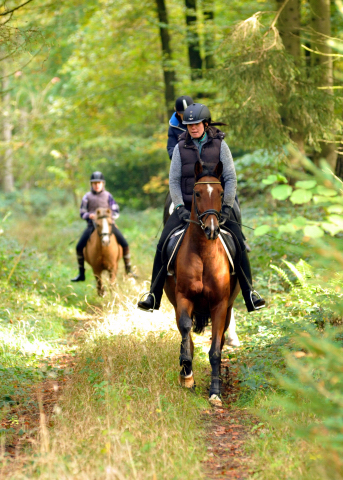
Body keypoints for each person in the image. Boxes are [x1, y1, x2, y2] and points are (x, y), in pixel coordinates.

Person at [138, 103, 265, 313]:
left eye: (196, 124)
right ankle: (153, 295)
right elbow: (174, 181)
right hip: (188, 206)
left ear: (205, 123)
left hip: (217, 205)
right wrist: (179, 207)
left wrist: (226, 207)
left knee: (239, 243)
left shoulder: (220, 145)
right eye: (188, 125)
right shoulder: (180, 148)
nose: (192, 128)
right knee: (162, 244)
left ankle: (250, 293)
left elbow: (231, 178)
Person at [71, 171, 134, 281]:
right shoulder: (87, 196)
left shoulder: (108, 195)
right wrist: (89, 215)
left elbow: (116, 211)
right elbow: (82, 212)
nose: (97, 185)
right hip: (93, 225)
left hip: (108, 225)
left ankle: (128, 268)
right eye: (94, 183)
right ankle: (81, 273)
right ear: (91, 184)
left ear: (102, 184)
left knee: (124, 243)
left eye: (99, 183)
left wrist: (110, 217)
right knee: (79, 246)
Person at [167, 95, 193, 160]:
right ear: (178, 112)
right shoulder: (173, 128)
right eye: (184, 114)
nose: (188, 117)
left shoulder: (201, 123)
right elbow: (171, 149)